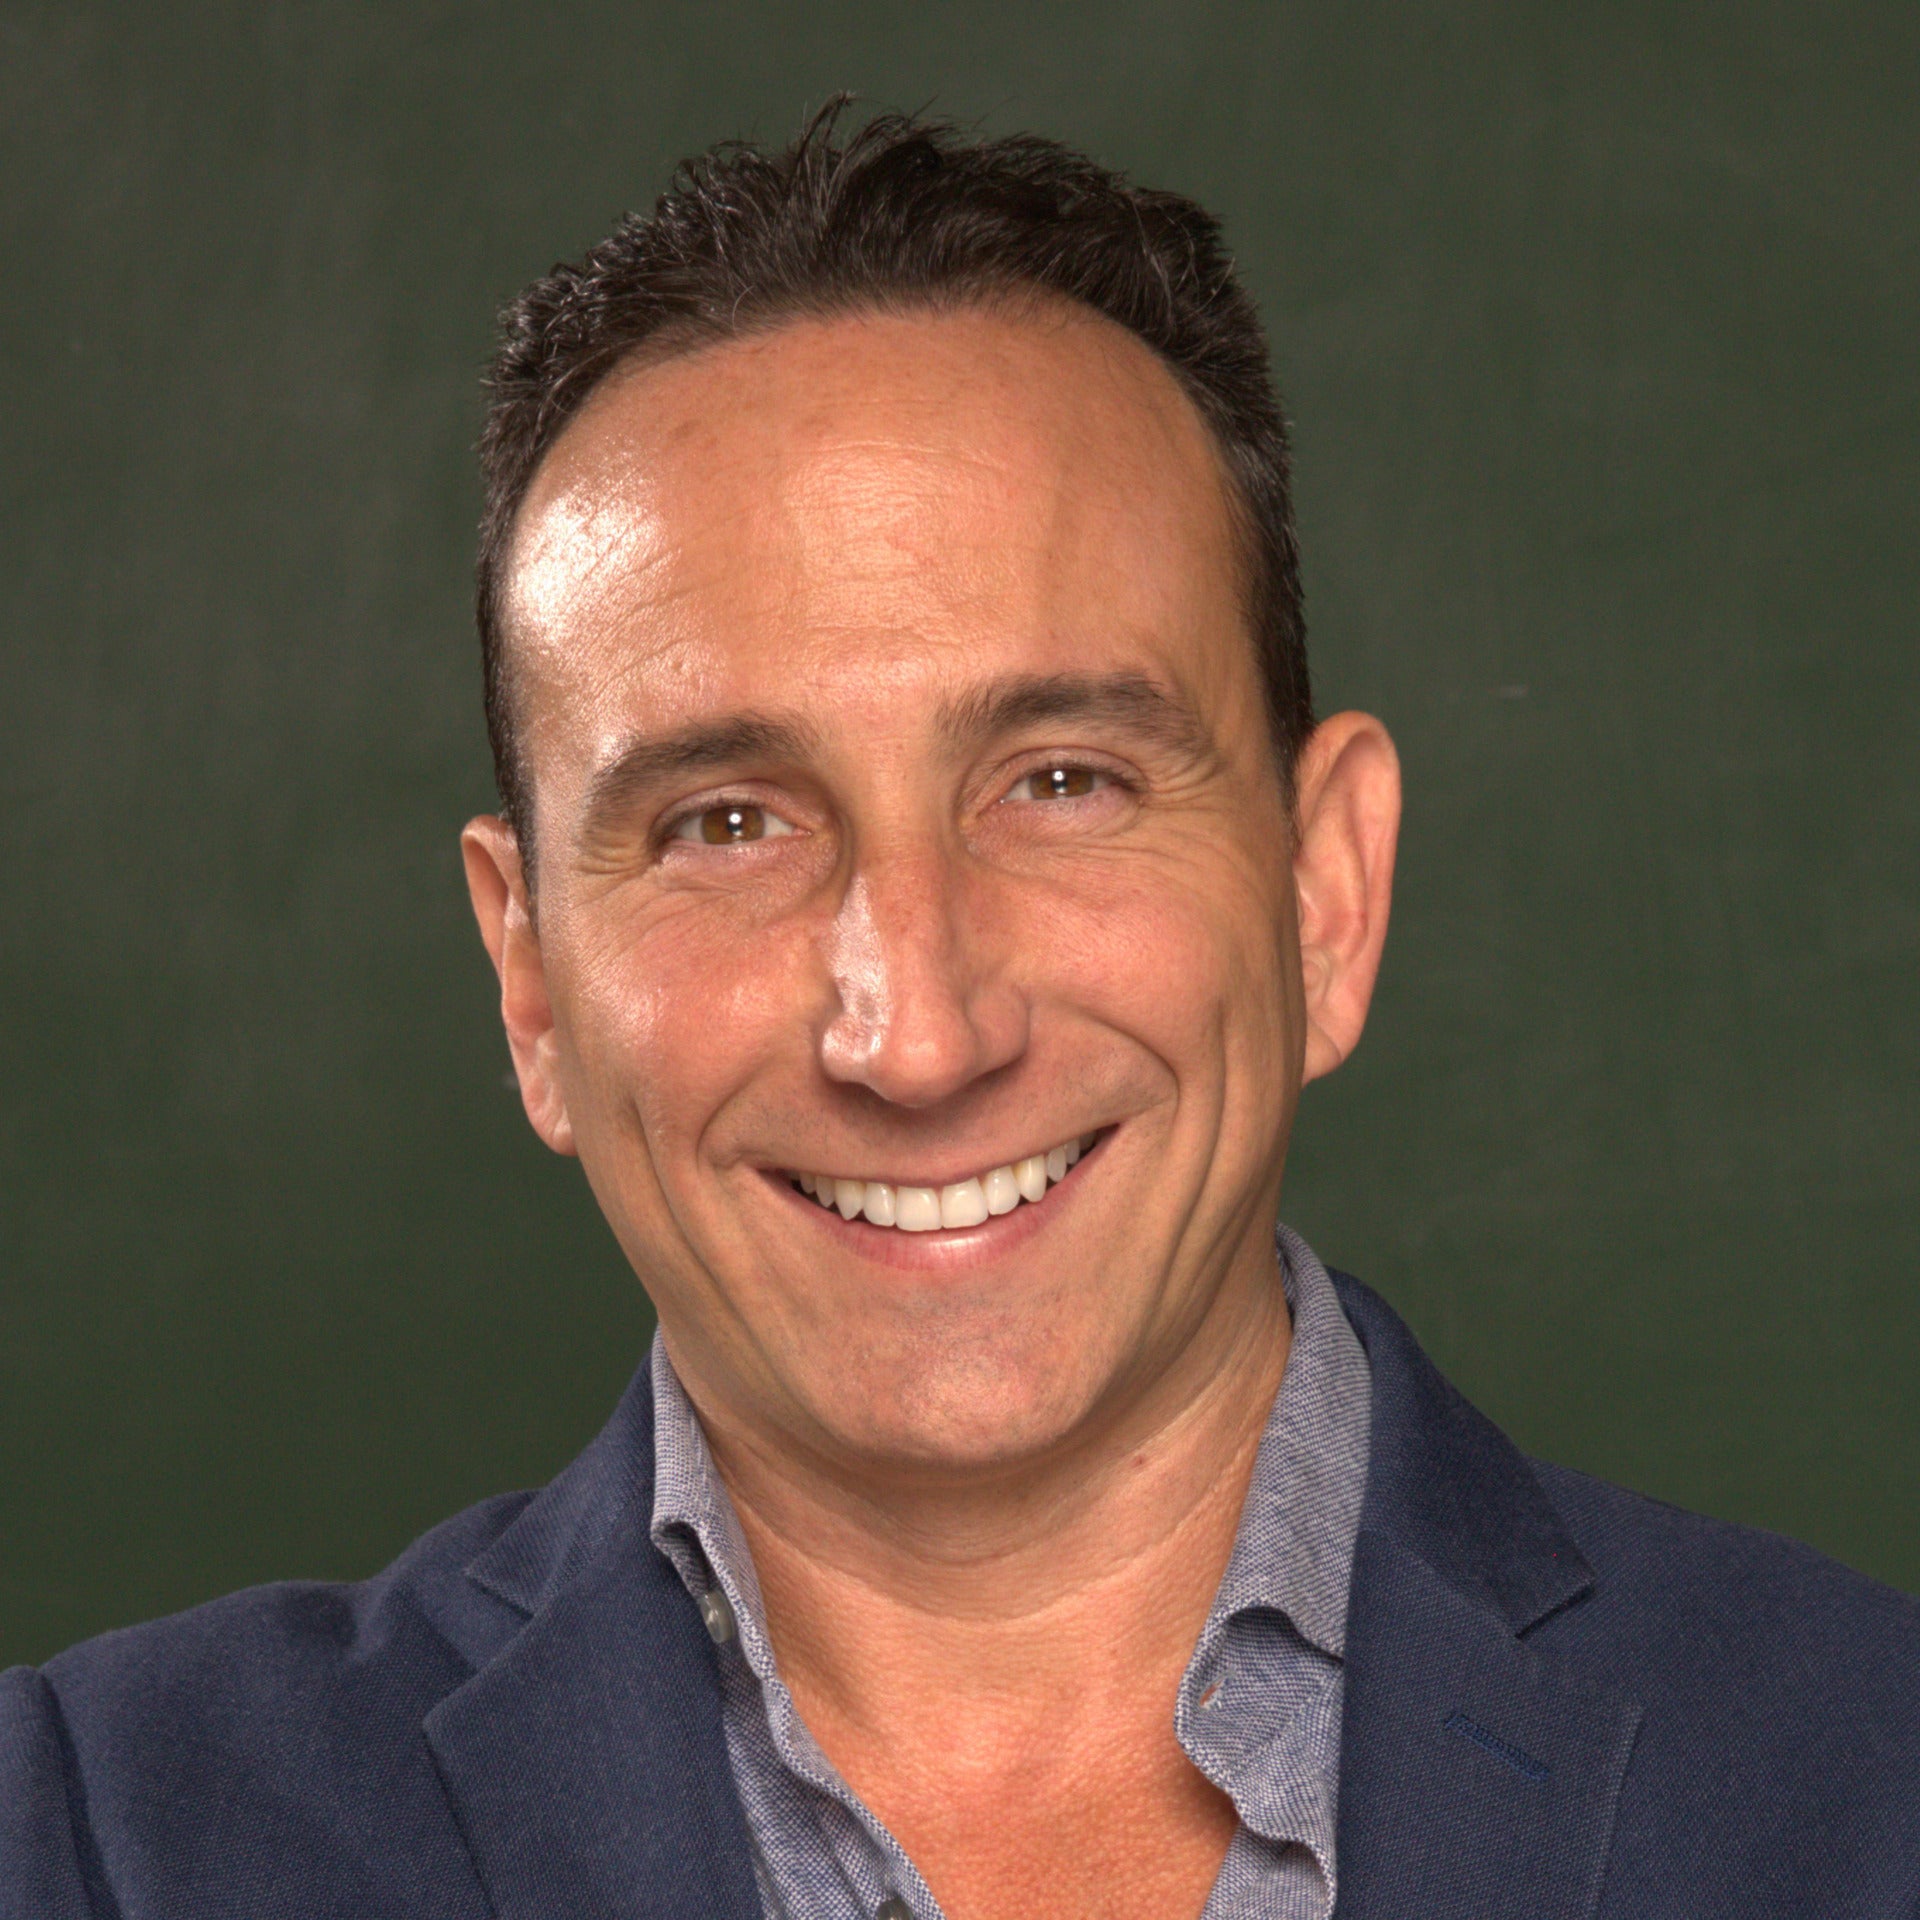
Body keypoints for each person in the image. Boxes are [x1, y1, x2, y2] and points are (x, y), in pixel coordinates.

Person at [3, 105, 1916, 1920]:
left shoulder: (1872, 1784)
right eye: (727, 823)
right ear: (530, 984)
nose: (916, 1035)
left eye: (1063, 782)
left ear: (1325, 891)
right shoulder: (91, 1842)